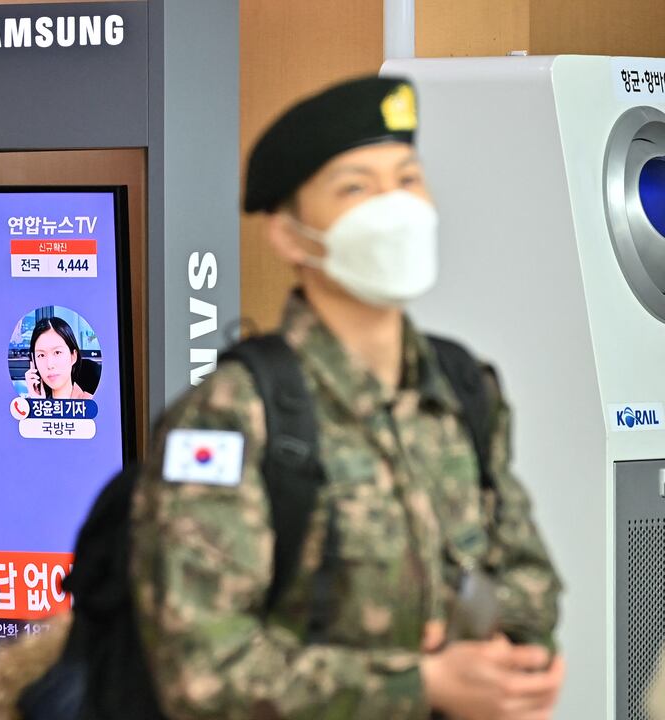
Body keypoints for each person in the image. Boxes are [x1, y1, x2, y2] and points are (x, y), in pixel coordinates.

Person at [130, 76, 565, 719]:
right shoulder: (235, 417)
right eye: (356, 188)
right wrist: (419, 682)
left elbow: (530, 582)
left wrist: (500, 657)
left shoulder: (463, 387)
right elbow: (202, 674)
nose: (395, 207)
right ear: (290, 235)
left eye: (408, 179)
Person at [25, 316, 94, 400]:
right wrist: (38, 405)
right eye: (41, 355)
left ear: (73, 356)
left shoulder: (91, 403)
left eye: (57, 352)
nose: (50, 365)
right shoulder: (27, 406)